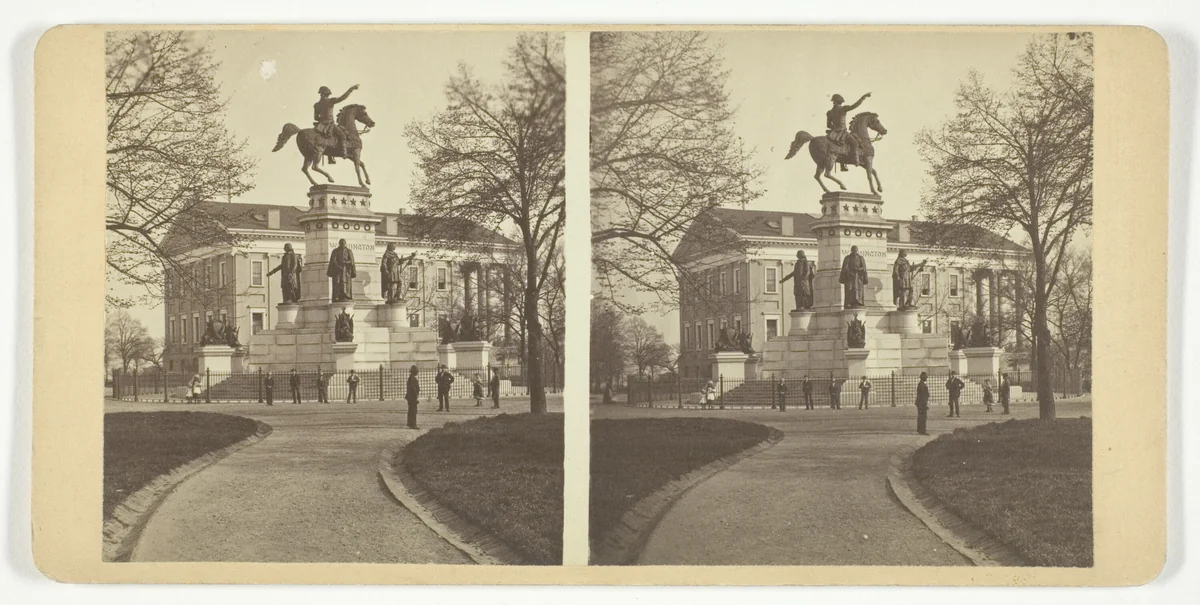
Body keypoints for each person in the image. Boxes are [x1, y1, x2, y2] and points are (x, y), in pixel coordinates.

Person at [313, 84, 358, 162]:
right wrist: (350, 90)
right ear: (327, 94)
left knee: (330, 138)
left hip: (320, 126)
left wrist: (322, 119)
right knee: (343, 135)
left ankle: (330, 158)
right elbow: (342, 97)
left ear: (321, 94)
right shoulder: (330, 101)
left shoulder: (316, 105)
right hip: (330, 124)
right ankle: (344, 153)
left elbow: (316, 118)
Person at [827, 92, 871, 169]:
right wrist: (863, 97)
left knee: (842, 146)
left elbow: (828, 125)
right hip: (843, 132)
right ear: (839, 102)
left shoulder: (830, 112)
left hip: (833, 134)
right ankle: (856, 161)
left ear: (834, 102)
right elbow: (855, 105)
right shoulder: (843, 109)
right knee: (855, 143)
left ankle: (843, 164)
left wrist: (835, 128)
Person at [404, 365, 420, 429]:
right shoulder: (412, 378)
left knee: (411, 410)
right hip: (412, 397)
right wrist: (416, 395)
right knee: (413, 411)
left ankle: (410, 423)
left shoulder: (411, 378)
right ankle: (413, 424)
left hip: (411, 397)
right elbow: (413, 388)